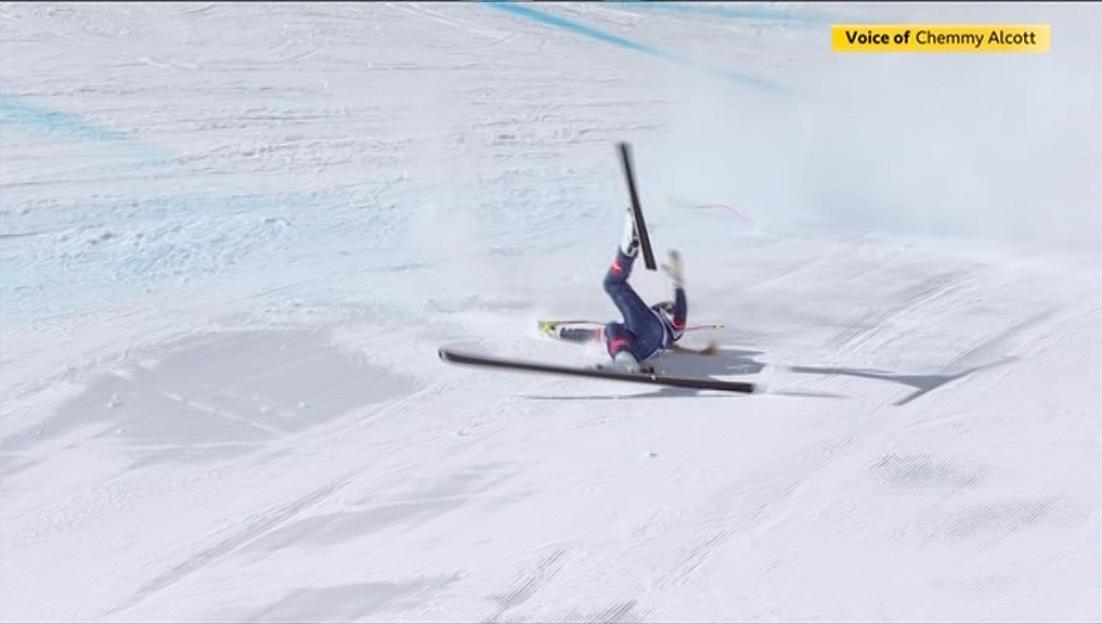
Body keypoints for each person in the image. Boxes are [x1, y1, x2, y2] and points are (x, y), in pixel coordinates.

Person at [540, 210, 686, 373]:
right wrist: (678, 285)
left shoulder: (657, 323)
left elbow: (588, 335)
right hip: (640, 351)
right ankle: (624, 362)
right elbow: (681, 316)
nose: (669, 308)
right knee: (612, 310)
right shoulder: (665, 329)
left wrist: (557, 333)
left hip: (643, 346)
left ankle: (627, 250)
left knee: (613, 290)